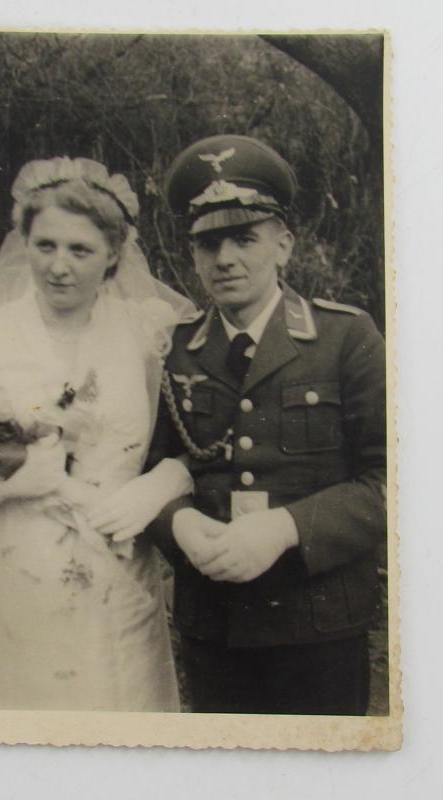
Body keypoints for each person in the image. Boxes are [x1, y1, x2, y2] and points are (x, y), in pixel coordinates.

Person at [0, 157, 195, 711]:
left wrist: (165, 479)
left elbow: (192, 433)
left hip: (117, 564)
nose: (59, 266)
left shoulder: (149, 331)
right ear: (23, 241)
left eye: (80, 250)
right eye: (45, 246)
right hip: (6, 571)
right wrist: (2, 478)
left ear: (114, 253)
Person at [147, 135, 387, 715]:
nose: (225, 258)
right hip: (214, 627)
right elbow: (148, 469)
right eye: (208, 242)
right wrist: (178, 527)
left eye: (244, 238)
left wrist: (284, 528)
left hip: (320, 626)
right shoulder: (172, 349)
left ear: (283, 245)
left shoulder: (345, 339)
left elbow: (391, 481)